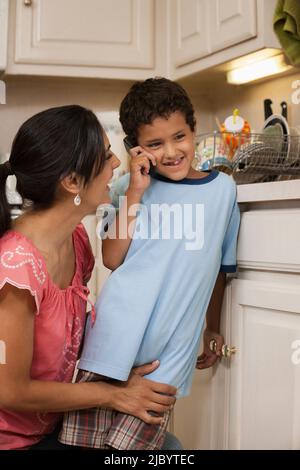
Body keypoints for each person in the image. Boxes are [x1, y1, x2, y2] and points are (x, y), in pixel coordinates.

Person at [59, 78, 241, 451]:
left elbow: (220, 270)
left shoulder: (223, 191)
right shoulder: (124, 188)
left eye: (179, 137)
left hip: (167, 359)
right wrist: (136, 192)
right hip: (112, 344)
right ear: (135, 147)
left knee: (131, 453)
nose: (172, 152)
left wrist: (213, 326)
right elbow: (112, 258)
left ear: (194, 130)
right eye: (155, 144)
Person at [0, 104, 177, 450]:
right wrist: (113, 396)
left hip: (55, 424)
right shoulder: (16, 267)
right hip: (13, 441)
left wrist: (120, 376)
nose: (116, 164)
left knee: (168, 447)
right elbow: (9, 390)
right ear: (71, 182)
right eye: (106, 155)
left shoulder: (77, 240)